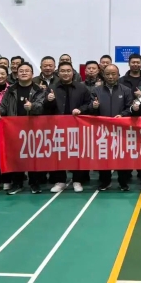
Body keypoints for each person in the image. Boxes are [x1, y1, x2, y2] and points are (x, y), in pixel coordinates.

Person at [0, 62, 48, 194]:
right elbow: (3, 106)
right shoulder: (10, 90)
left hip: (33, 129)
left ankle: (34, 183)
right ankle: (17, 183)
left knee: (33, 157)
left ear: (32, 74)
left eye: (27, 71)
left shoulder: (39, 90)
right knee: (16, 157)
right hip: (14, 129)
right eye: (21, 71)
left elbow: (41, 106)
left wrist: (32, 107)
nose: (24, 73)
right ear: (17, 74)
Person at [43, 62, 93, 193]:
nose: (66, 73)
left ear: (73, 72)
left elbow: (89, 104)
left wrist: (80, 110)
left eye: (68, 71)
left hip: (77, 127)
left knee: (77, 153)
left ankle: (77, 180)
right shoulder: (52, 88)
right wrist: (48, 100)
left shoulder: (81, 88)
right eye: (63, 71)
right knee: (58, 154)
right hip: (57, 127)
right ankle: (60, 181)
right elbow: (45, 108)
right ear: (58, 73)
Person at [90, 64, 136, 191]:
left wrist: (122, 115)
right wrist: (94, 107)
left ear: (118, 75)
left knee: (122, 156)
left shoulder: (126, 90)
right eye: (108, 74)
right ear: (103, 76)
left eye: (113, 74)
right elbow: (90, 109)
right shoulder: (96, 91)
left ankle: (123, 182)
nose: (110, 76)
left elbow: (130, 108)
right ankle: (105, 182)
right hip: (102, 130)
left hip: (121, 130)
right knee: (103, 156)